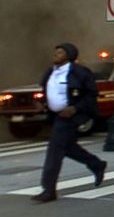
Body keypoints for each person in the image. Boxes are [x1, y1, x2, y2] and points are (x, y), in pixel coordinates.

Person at [32, 43, 107, 203]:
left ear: (69, 55)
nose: (56, 54)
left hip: (71, 116)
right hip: (56, 116)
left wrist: (75, 108)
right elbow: (46, 92)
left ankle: (49, 189)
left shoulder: (79, 72)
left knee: (55, 149)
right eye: (55, 51)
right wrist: (43, 104)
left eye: (60, 52)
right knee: (68, 148)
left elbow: (92, 94)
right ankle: (97, 164)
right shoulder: (50, 72)